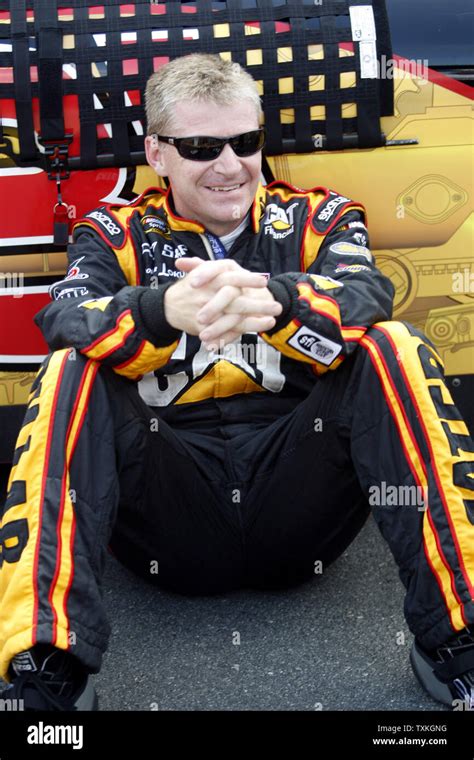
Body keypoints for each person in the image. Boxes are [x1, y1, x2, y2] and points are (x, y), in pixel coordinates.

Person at [0, 53, 473, 712]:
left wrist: (279, 305)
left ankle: (460, 633)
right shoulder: (113, 233)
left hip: (297, 500)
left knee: (392, 344)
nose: (229, 165)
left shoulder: (320, 218)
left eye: (245, 142)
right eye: (201, 147)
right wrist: (162, 311)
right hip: (169, 511)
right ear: (158, 154)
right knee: (69, 369)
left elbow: (367, 294)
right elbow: (66, 317)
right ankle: (44, 664)